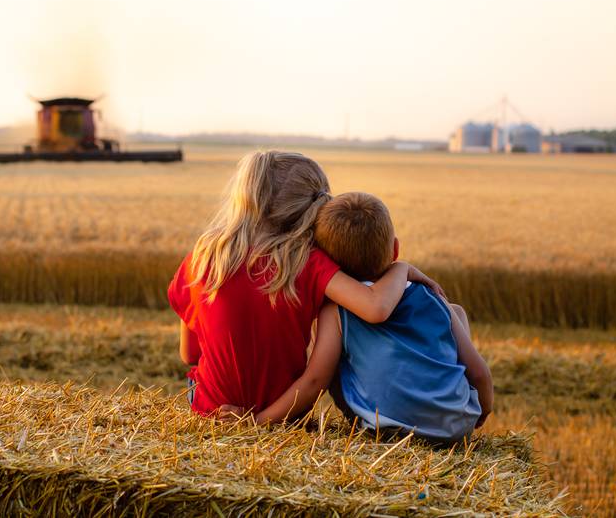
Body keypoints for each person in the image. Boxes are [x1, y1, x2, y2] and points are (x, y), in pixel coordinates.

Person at [167, 151, 443, 419]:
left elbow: (189, 354)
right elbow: (375, 307)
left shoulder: (204, 256)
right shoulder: (308, 261)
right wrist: (401, 268)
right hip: (284, 414)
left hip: (209, 408)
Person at [309, 191, 493, 443]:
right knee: (454, 313)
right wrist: (481, 411)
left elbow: (317, 379)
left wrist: (263, 420)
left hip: (383, 428)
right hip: (455, 427)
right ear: (395, 249)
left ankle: (356, 418)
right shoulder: (431, 296)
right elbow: (480, 373)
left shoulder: (335, 310)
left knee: (332, 357)